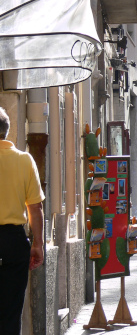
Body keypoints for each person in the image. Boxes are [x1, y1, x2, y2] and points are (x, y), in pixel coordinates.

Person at [0, 106, 45, 334]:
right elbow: (35, 208)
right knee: (11, 309)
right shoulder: (24, 160)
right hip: (13, 241)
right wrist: (37, 245)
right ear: (6, 132)